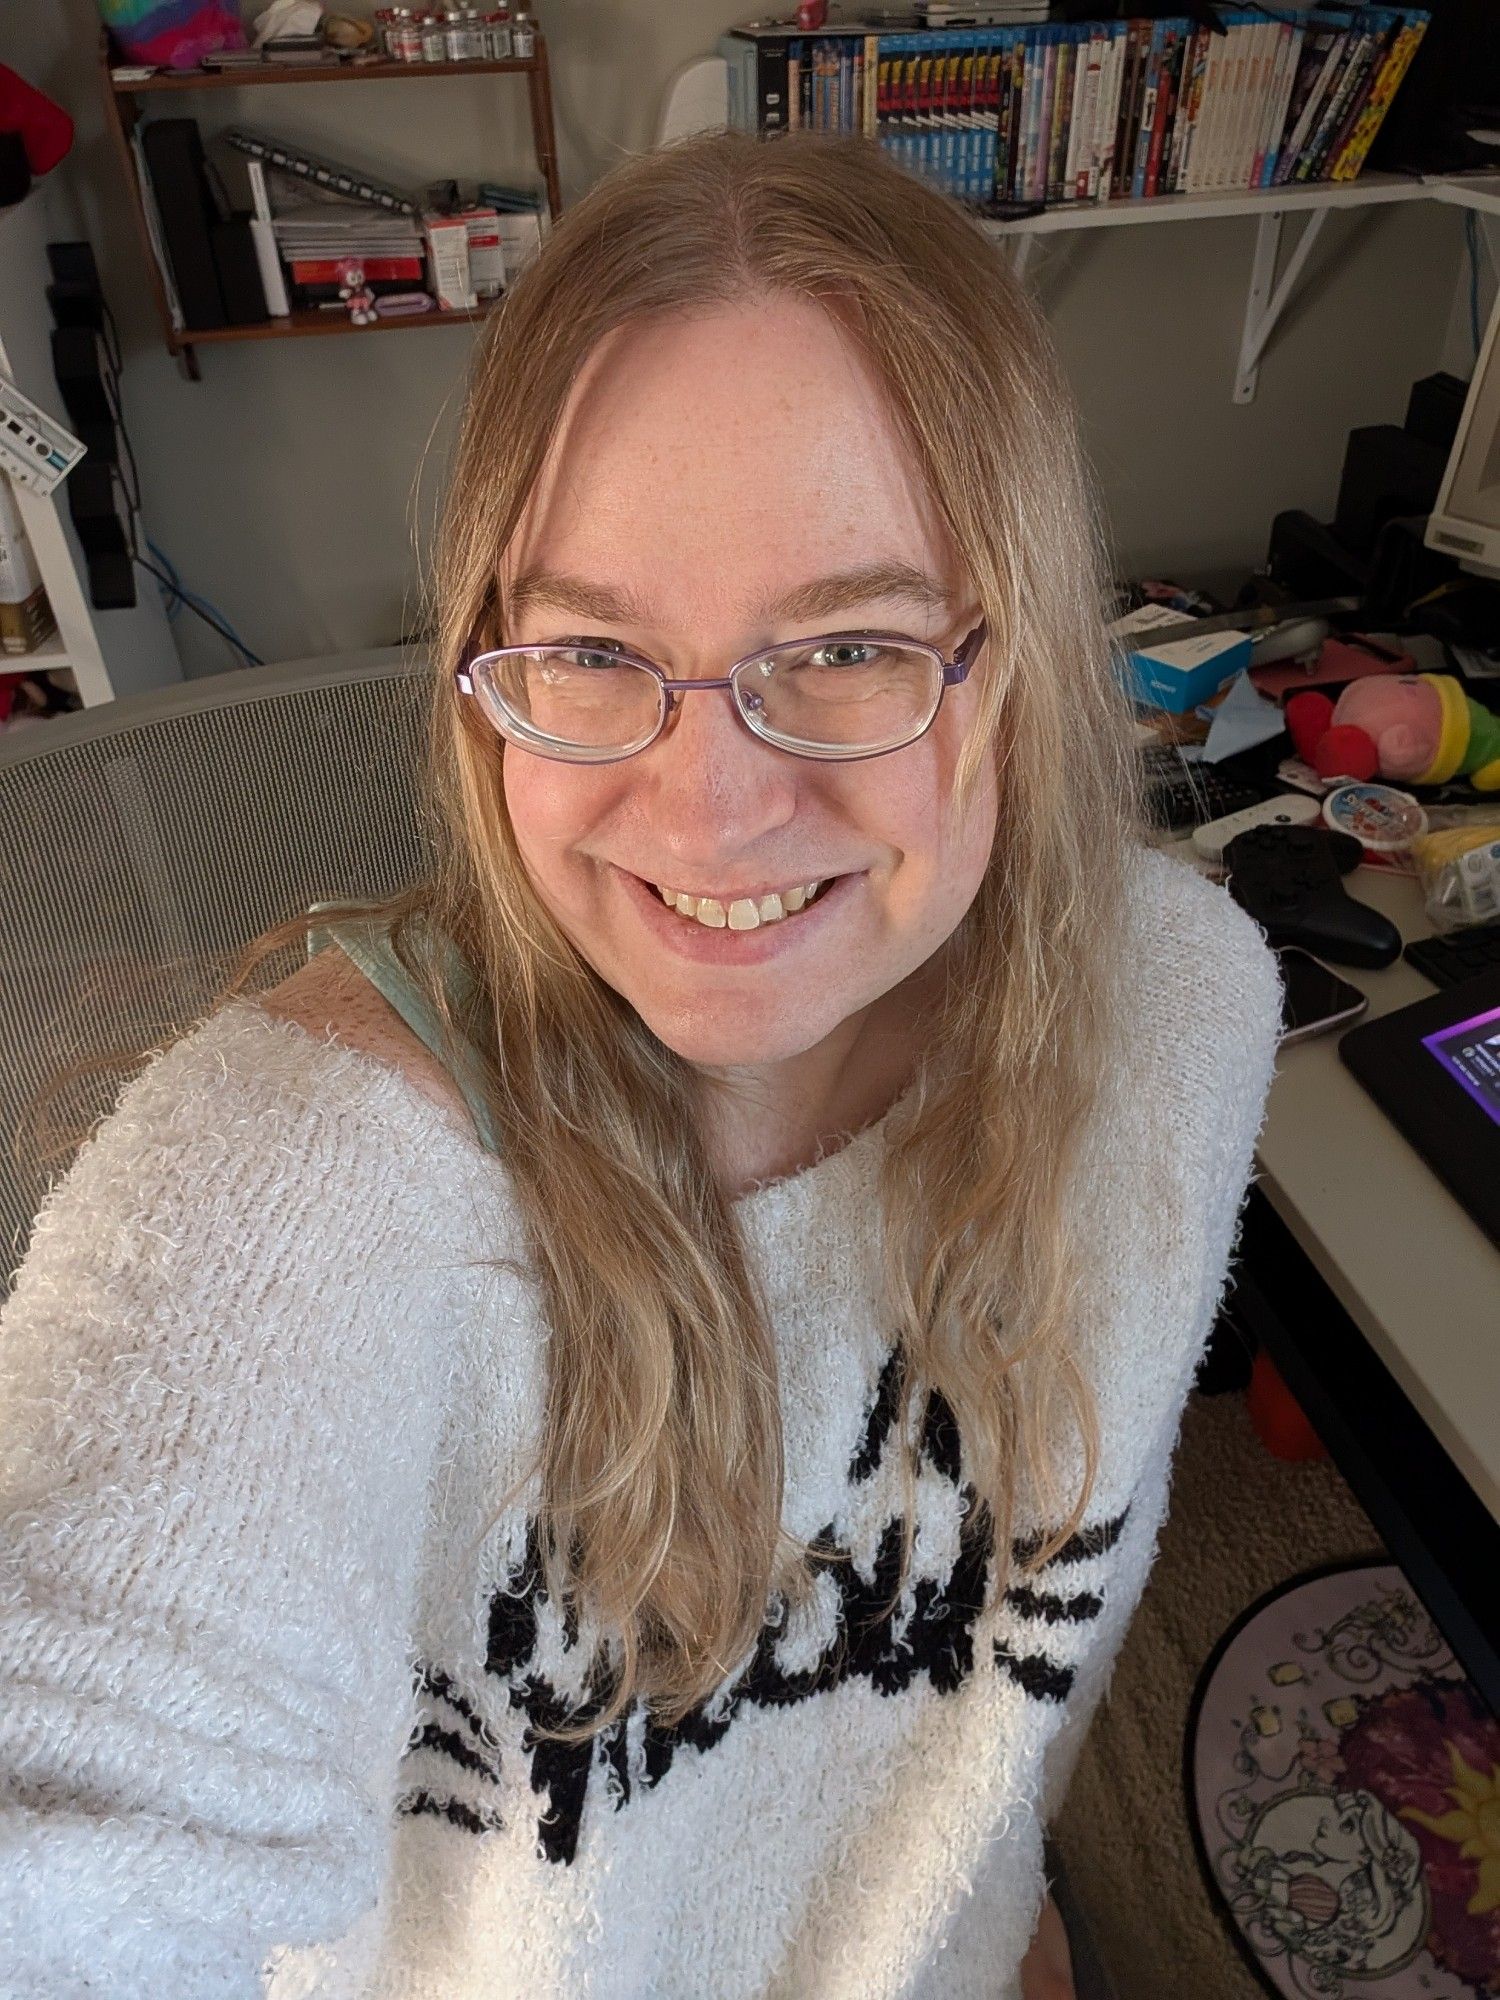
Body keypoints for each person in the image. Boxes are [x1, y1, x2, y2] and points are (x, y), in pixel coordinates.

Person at [0, 129, 1282, 1998]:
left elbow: (988, 1715)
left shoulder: (1179, 1016)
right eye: (593, 650)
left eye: (844, 644)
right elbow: (72, 1821)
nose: (714, 808)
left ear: (1012, 660)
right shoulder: (290, 1192)